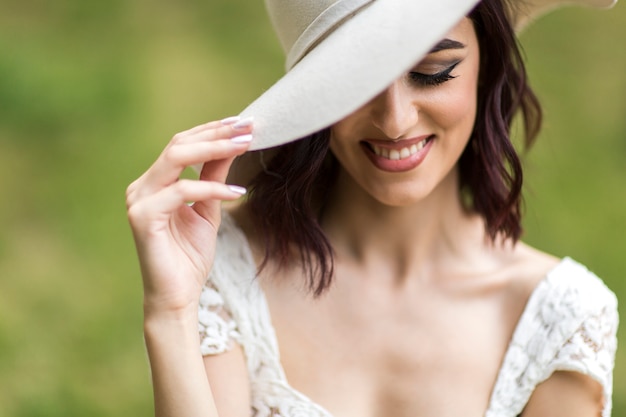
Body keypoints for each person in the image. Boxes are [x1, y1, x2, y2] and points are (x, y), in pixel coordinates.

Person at [126, 0, 619, 416]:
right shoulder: (226, 269)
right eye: (355, 86)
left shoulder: (560, 320)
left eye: (432, 74)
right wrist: (169, 314)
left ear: (486, 67)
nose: (395, 121)